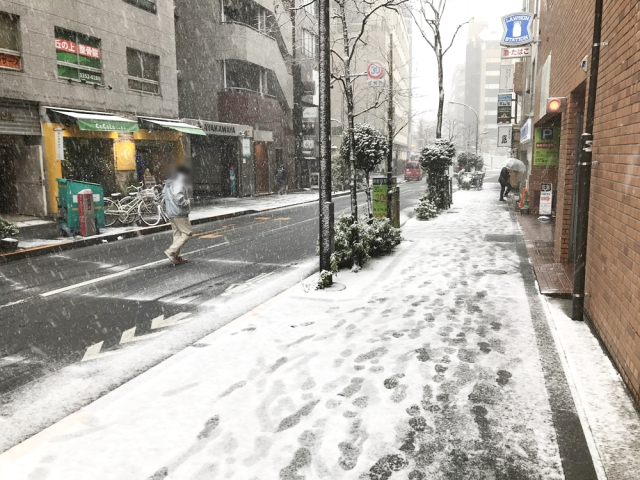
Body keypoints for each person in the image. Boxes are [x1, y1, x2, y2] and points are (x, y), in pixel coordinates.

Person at [163, 164, 192, 264]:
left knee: (177, 234)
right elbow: (178, 195)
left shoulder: (169, 182)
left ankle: (176, 256)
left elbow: (163, 195)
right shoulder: (179, 181)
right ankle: (171, 252)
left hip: (171, 212)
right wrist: (186, 203)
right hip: (179, 212)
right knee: (187, 233)